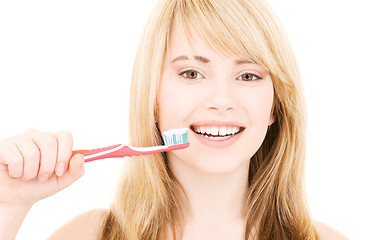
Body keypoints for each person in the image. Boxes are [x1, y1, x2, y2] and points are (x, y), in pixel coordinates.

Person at [0, 0, 348, 239]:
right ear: (152, 96)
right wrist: (7, 205)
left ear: (274, 105)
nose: (221, 101)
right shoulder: (88, 235)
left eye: (248, 76)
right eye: (192, 73)